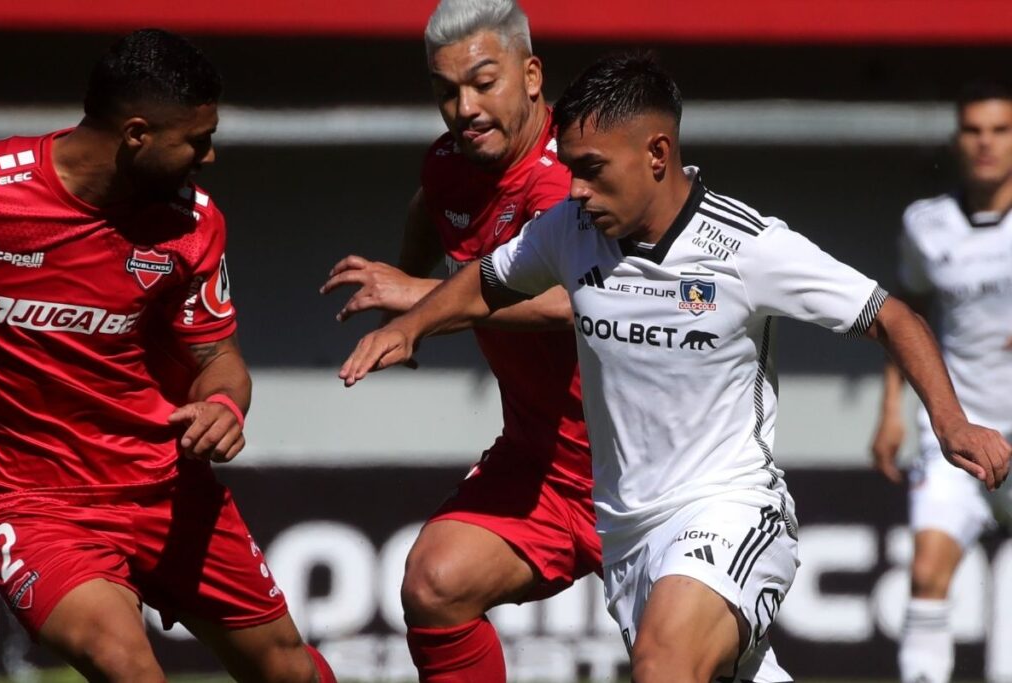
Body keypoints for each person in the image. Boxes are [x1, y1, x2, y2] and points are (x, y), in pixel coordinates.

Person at [339, 53, 1012, 683]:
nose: (574, 188)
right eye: (569, 166)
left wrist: (950, 424)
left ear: (657, 154)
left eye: (593, 168)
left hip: (733, 509)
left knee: (662, 663)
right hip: (628, 531)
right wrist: (411, 324)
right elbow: (490, 279)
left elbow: (892, 314)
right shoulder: (571, 230)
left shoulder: (748, 248)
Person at [0, 29, 336, 683]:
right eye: (196, 140)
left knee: (288, 670)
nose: (208, 157)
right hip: (35, 505)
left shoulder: (193, 224)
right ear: (136, 135)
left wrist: (226, 404)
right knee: (126, 665)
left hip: (165, 489)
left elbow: (219, 356)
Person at [320, 1, 600, 680]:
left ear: (531, 76)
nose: (465, 107)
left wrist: (418, 299)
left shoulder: (570, 173)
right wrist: (413, 278)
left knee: (682, 661)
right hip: (545, 467)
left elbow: (573, 301)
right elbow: (430, 204)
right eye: (447, 91)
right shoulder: (451, 164)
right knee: (434, 584)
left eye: (483, 82)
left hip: (646, 469)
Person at [870, 82, 1012, 683]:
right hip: (956, 428)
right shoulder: (926, 224)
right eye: (974, 130)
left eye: (1000, 130)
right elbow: (908, 317)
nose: (986, 143)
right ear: (957, 139)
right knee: (927, 572)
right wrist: (892, 409)